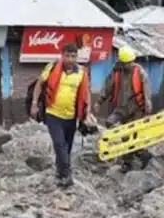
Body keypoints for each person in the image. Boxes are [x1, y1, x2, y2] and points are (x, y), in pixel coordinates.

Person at [31, 43, 92, 188]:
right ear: (62, 55)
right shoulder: (52, 68)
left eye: (73, 56)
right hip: (53, 114)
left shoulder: (82, 72)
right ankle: (67, 175)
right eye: (67, 56)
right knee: (59, 144)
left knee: (67, 147)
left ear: (76, 57)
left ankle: (60, 171)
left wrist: (87, 112)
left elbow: (86, 93)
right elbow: (39, 84)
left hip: (71, 117)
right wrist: (34, 103)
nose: (70, 59)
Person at [95, 46, 153, 172]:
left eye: (131, 62)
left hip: (137, 108)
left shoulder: (140, 73)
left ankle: (142, 156)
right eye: (127, 63)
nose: (129, 65)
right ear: (121, 62)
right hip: (121, 108)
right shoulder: (116, 73)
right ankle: (127, 162)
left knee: (135, 135)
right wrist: (99, 101)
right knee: (122, 134)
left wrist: (148, 111)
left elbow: (147, 93)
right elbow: (107, 87)